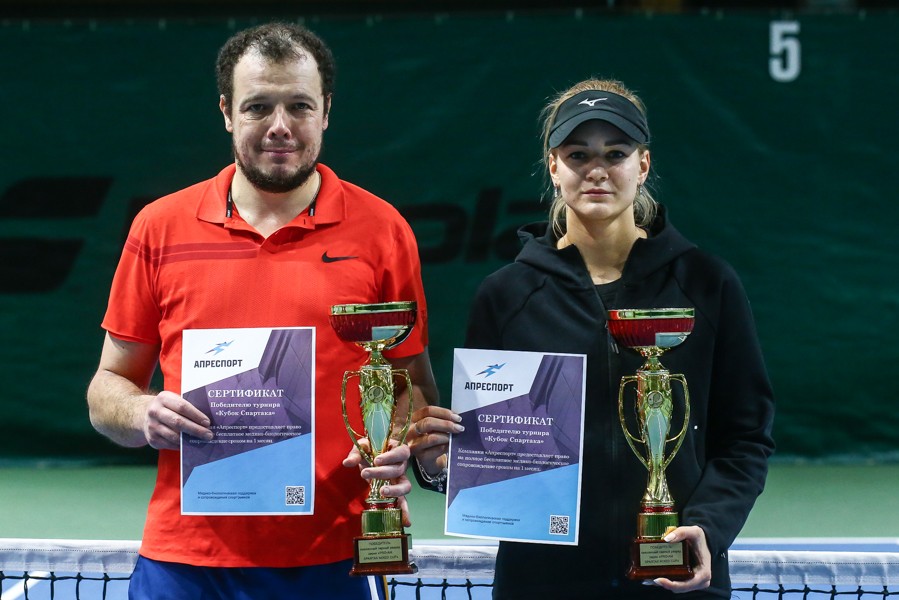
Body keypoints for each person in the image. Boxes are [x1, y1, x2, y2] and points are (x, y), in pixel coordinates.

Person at [86, 22, 437, 600]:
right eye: (258, 106)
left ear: (326, 111)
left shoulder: (384, 230)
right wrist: (142, 412)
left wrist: (397, 442)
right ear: (227, 112)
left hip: (336, 552)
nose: (280, 126)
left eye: (299, 105)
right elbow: (107, 389)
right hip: (186, 559)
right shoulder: (158, 226)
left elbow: (408, 381)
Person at [408, 78, 775, 598]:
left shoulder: (708, 284)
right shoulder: (505, 295)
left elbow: (745, 437)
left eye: (616, 153)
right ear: (553, 166)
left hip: (674, 577)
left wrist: (708, 528)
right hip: (542, 583)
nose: (597, 170)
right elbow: (493, 451)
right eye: (578, 154)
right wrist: (442, 467)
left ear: (643, 165)